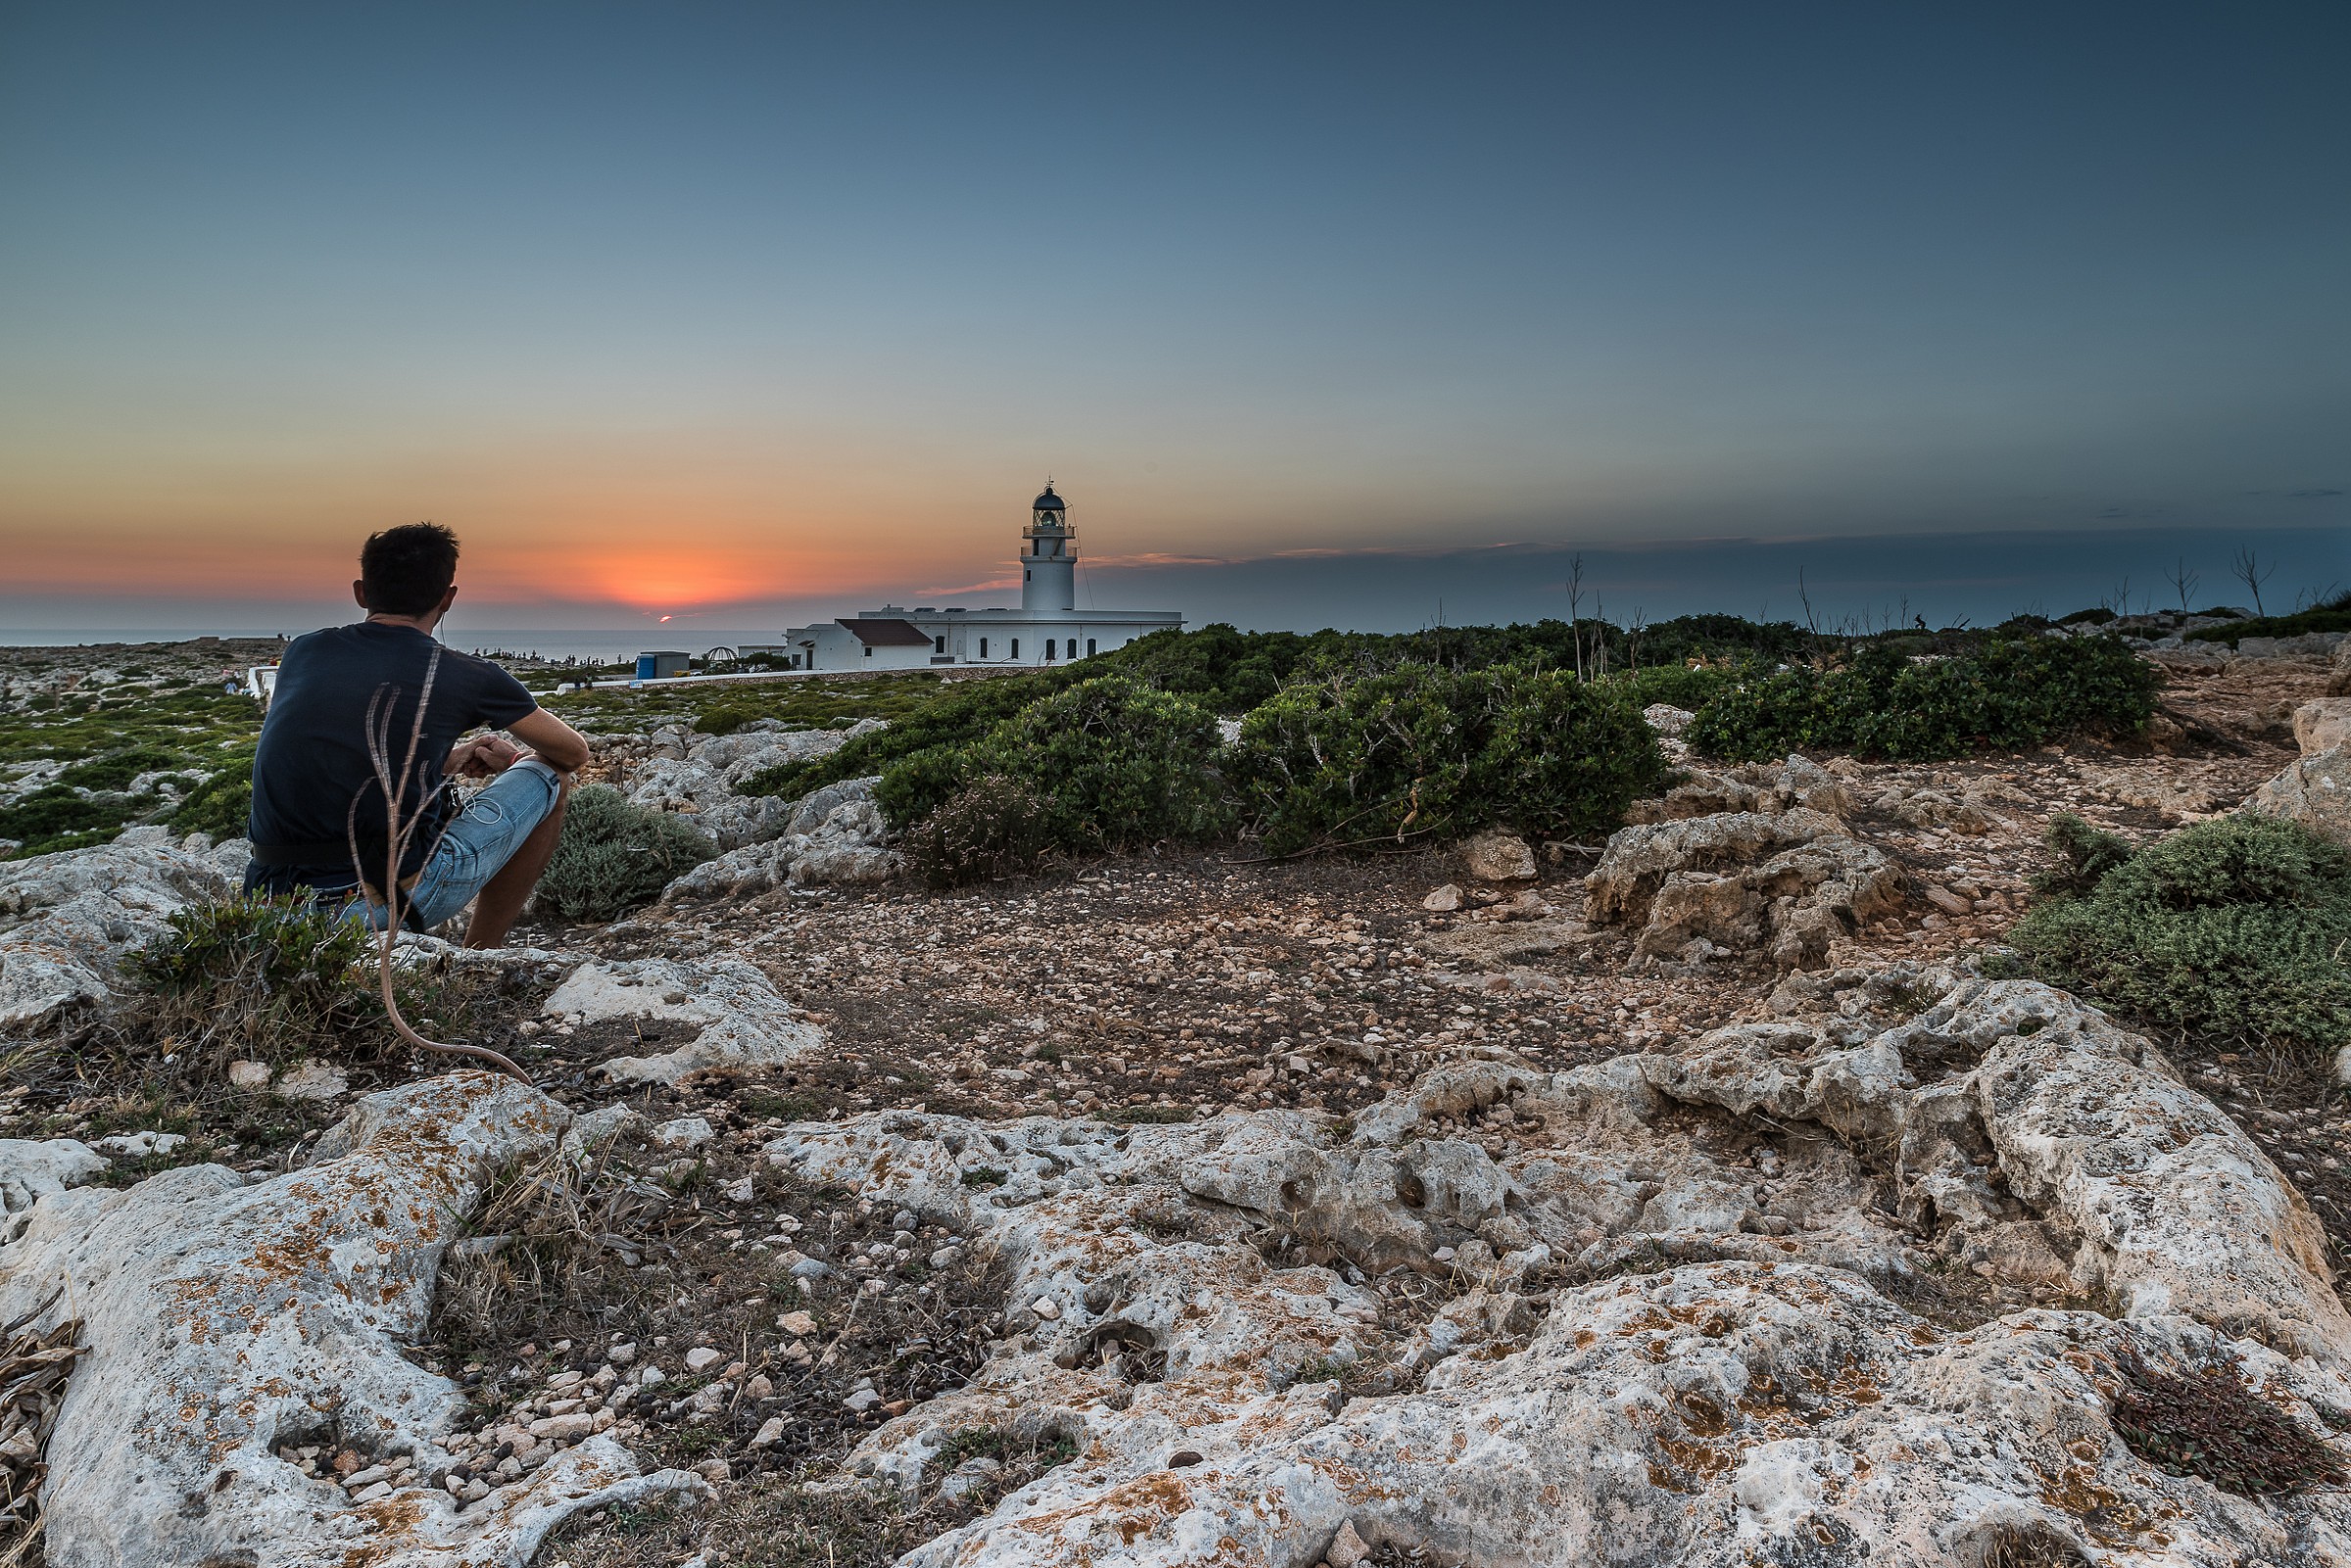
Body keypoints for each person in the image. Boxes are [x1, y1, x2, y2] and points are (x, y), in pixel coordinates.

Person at [243, 522, 591, 948]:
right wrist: (513, 762)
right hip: (379, 903)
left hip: (267, 903)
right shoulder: (467, 674)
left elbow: (335, 754)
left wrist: (446, 761)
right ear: (448, 598)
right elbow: (572, 752)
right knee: (552, 778)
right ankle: (480, 954)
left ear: (361, 592)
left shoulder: (303, 651)